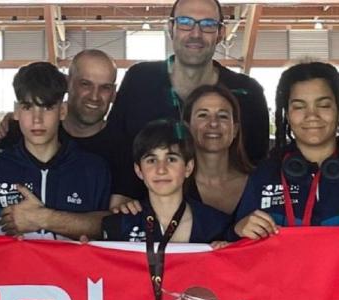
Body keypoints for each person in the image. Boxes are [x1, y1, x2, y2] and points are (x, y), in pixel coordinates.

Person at [107, 0, 269, 201]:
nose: (196, 33)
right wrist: (121, 195)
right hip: (146, 216)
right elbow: (117, 146)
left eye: (208, 24)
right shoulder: (139, 79)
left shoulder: (247, 93)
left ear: (221, 33)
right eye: (185, 22)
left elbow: (258, 163)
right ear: (170, 28)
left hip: (228, 218)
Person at [233, 62, 339, 239]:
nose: (312, 116)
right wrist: (239, 228)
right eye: (299, 106)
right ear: (287, 114)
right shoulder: (262, 176)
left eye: (323, 105)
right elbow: (232, 250)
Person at [0, 62, 112, 240]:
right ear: (17, 112)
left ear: (63, 111)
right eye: (28, 107)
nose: (37, 120)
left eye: (48, 107)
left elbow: (111, 229)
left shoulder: (93, 169)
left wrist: (45, 219)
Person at [102, 118, 229, 243]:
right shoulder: (118, 226)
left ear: (188, 167)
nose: (161, 170)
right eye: (151, 160)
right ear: (139, 170)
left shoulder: (218, 227)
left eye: (171, 159)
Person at [0, 49, 120, 166]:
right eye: (85, 84)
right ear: (67, 83)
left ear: (114, 93)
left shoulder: (124, 150)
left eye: (105, 88)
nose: (94, 96)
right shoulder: (22, 133)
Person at [183, 84, 254, 215]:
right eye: (203, 115)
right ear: (188, 128)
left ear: (235, 130)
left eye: (223, 116)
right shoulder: (173, 185)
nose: (214, 123)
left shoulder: (260, 183)